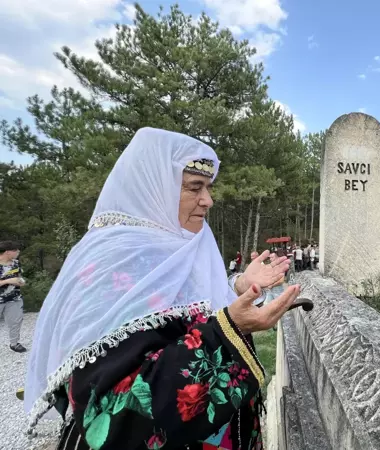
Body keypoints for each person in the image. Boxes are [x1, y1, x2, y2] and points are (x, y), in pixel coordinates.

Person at [25, 128, 297, 450]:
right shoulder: (108, 265)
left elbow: (187, 304)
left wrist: (237, 287)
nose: (208, 200)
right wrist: (228, 331)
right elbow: (112, 411)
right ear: (153, 190)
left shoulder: (186, 246)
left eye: (208, 188)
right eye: (195, 187)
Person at [0, 241, 27, 353]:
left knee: (16, 321)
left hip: (14, 298)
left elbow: (19, 278)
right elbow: (10, 280)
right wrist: (9, 280)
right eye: (15, 250)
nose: (18, 252)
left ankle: (14, 343)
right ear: (7, 252)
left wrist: (21, 282)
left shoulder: (16, 263)